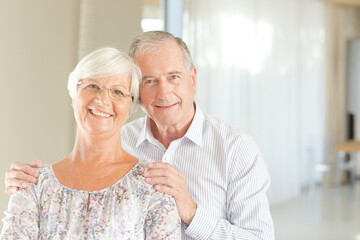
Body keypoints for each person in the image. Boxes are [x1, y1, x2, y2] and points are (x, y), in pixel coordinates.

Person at [5, 31, 274, 239]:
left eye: (174, 77)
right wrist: (27, 182)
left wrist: (191, 212)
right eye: (149, 81)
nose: (164, 92)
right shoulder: (116, 138)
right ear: (137, 93)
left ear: (193, 79)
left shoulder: (236, 149)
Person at [1, 47, 181, 239]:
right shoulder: (34, 185)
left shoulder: (153, 186)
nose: (102, 99)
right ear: (74, 94)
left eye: (118, 92)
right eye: (92, 86)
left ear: (131, 106)